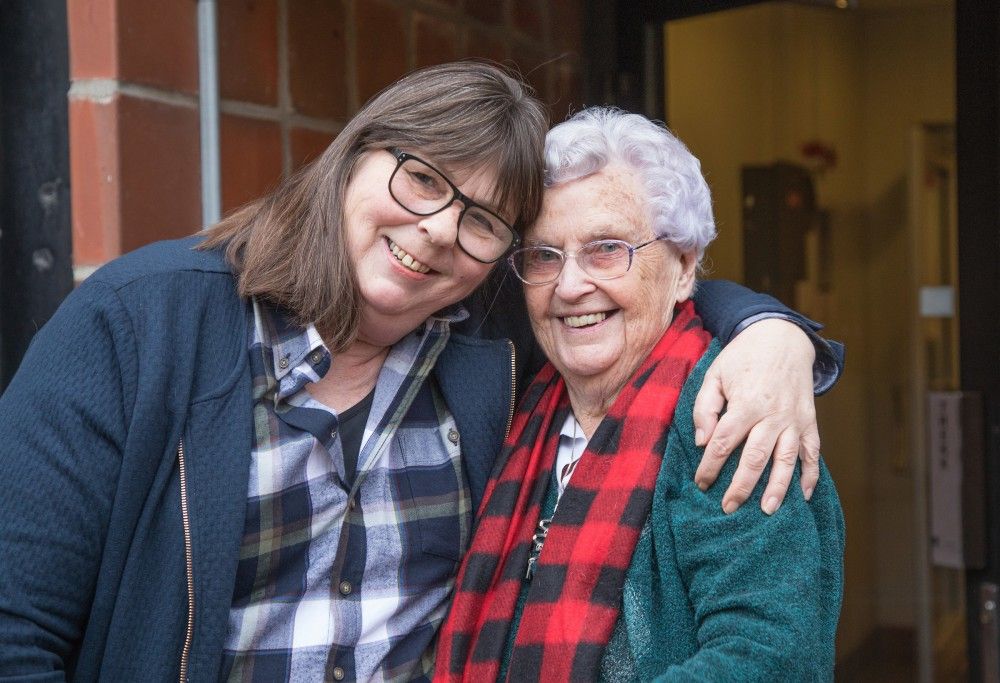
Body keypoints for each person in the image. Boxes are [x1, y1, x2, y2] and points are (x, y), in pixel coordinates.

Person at [0, 63, 838, 681]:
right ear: (352, 158)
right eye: (423, 179)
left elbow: (637, 288)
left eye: (480, 222)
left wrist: (771, 333)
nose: (439, 230)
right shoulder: (143, 323)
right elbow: (15, 627)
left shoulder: (490, 348)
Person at [435, 108, 844, 682]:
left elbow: (769, 658)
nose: (571, 285)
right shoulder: (516, 403)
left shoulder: (729, 414)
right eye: (545, 255)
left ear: (683, 266)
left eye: (607, 248)